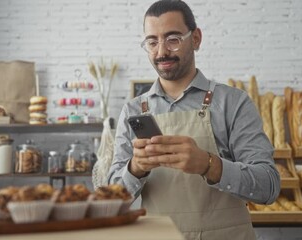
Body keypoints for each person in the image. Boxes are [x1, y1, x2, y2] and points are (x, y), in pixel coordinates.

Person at [108, 0, 280, 239]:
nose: (161, 52)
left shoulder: (233, 102)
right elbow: (110, 203)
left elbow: (268, 187)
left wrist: (209, 165)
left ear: (196, 39)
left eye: (173, 39)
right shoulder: (133, 110)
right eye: (152, 41)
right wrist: (135, 168)